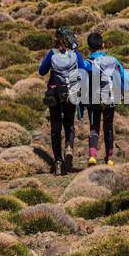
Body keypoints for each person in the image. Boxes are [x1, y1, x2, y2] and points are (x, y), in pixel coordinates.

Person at [38, 26, 90, 175]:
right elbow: (83, 71)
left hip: (54, 93)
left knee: (55, 127)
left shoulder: (52, 54)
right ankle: (68, 147)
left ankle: (58, 161)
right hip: (70, 93)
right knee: (69, 123)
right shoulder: (75, 54)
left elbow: (41, 71)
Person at [84, 31, 128, 166]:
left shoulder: (87, 62)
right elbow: (124, 77)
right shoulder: (113, 60)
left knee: (94, 127)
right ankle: (110, 158)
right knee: (108, 126)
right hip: (110, 97)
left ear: (89, 48)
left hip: (94, 99)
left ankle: (92, 155)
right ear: (103, 45)